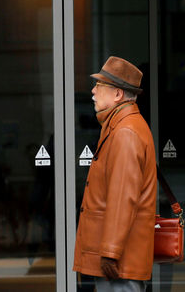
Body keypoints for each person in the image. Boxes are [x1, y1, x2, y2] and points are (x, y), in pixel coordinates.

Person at [73, 56, 158, 292]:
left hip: (119, 263)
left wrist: (110, 252)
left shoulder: (125, 132)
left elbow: (123, 198)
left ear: (118, 94)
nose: (92, 91)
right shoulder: (120, 127)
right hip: (121, 259)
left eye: (99, 86)